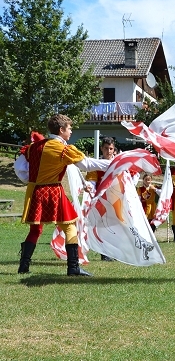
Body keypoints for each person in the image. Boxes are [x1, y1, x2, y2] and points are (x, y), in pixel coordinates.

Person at [15, 114, 110, 276]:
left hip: (35, 191)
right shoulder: (63, 149)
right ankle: (73, 267)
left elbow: (19, 167)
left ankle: (23, 265)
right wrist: (115, 163)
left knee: (35, 229)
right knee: (70, 227)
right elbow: (86, 164)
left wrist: (30, 180)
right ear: (61, 130)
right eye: (69, 128)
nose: (71, 131)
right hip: (53, 191)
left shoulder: (34, 147)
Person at [85, 136, 117, 261]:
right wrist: (90, 191)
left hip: (115, 199)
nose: (108, 151)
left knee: (115, 226)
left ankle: (114, 252)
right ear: (101, 149)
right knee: (103, 227)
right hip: (101, 200)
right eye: (106, 148)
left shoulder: (118, 164)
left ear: (114, 150)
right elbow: (92, 183)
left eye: (111, 149)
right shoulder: (96, 165)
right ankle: (105, 253)